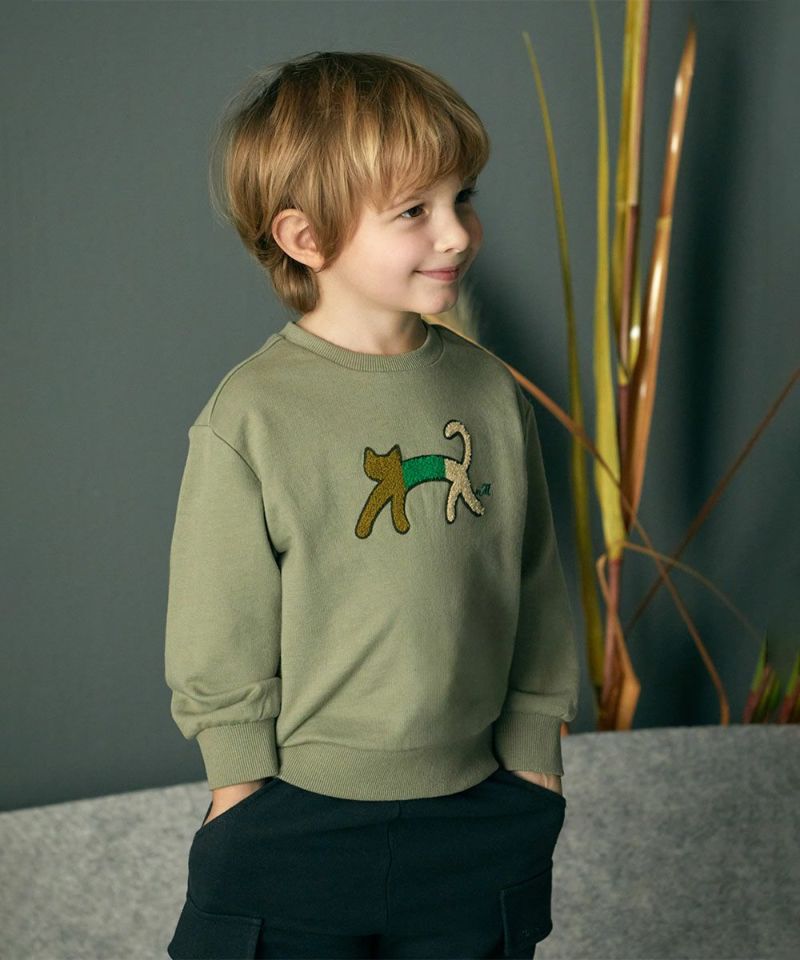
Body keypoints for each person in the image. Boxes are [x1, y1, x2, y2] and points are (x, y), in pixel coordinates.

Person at [164, 50, 580, 960]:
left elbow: (535, 581)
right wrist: (238, 789)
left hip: (478, 815)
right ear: (306, 237)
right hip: (298, 816)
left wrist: (535, 762)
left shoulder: (490, 392)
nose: (457, 233)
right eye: (414, 211)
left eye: (462, 197)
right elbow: (217, 619)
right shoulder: (251, 414)